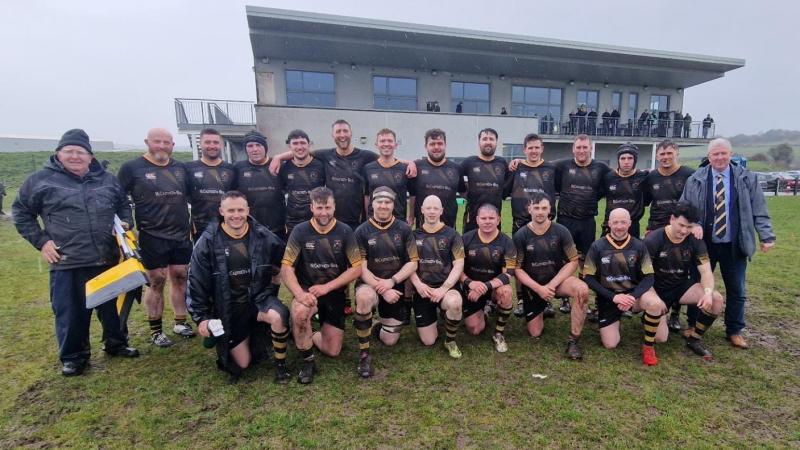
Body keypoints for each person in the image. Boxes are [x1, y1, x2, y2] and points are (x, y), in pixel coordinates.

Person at [13, 129, 138, 376]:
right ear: (58, 154)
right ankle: (74, 356)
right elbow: (21, 212)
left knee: (111, 307)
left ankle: (116, 343)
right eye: (69, 151)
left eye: (80, 152)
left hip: (107, 257)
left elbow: (124, 205)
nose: (75, 156)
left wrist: (126, 222)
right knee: (71, 312)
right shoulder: (40, 180)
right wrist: (42, 241)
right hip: (67, 260)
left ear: (90, 156)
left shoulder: (107, 180)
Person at [680, 138, 775, 349]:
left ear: (730, 155)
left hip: (734, 243)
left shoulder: (746, 178)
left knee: (737, 288)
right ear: (709, 156)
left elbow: (759, 209)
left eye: (723, 153)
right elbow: (684, 208)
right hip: (704, 243)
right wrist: (693, 224)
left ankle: (734, 330)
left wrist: (766, 236)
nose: (720, 157)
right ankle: (694, 325)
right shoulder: (696, 179)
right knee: (699, 284)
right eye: (715, 154)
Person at [186, 191, 290, 383]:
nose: (236, 215)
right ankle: (241, 335)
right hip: (229, 307)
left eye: (240, 210)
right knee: (242, 363)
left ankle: (281, 367)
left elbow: (287, 259)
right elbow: (196, 281)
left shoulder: (262, 235)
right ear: (221, 212)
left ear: (248, 210)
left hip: (259, 299)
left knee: (279, 316)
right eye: (231, 210)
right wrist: (201, 318)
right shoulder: (207, 242)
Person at [118, 128, 195, 347]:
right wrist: (125, 222)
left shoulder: (180, 168)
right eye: (157, 141)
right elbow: (117, 197)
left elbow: (192, 195)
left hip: (180, 233)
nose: (161, 146)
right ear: (147, 142)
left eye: (166, 142)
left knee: (180, 276)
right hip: (152, 235)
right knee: (157, 280)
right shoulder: (132, 168)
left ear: (172, 144)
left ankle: (180, 322)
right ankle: (156, 330)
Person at [282, 187, 363, 384]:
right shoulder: (300, 231)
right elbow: (286, 268)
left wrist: (327, 287)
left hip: (334, 294)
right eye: (319, 207)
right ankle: (308, 361)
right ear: (311, 207)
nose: (324, 212)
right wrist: (299, 294)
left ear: (334, 207)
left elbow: (356, 268)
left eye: (328, 207)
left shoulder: (345, 231)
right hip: (307, 292)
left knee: (333, 351)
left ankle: (305, 333)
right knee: (301, 312)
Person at [583, 208, 666, 366]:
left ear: (630, 223)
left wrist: (632, 296)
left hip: (635, 297)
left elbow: (649, 277)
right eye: (615, 222)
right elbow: (588, 277)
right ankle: (620, 319)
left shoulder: (639, 246)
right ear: (609, 223)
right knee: (610, 344)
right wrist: (613, 297)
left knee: (660, 334)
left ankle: (648, 346)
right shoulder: (597, 246)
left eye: (623, 222)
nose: (619, 226)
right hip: (610, 298)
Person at [644, 202, 724, 360]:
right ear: (672, 219)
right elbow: (643, 275)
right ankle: (653, 314)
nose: (684, 231)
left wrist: (707, 293)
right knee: (661, 338)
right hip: (656, 288)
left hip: (680, 286)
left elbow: (706, 271)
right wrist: (653, 299)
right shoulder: (654, 239)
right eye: (681, 225)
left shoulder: (694, 240)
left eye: (689, 227)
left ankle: (694, 339)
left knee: (716, 299)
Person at [513, 194, 589, 359]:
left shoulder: (561, 231)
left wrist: (551, 285)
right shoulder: (520, 235)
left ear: (550, 210)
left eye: (544, 208)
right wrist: (539, 289)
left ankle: (573, 341)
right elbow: (517, 269)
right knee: (535, 333)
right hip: (534, 285)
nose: (540, 212)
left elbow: (573, 261)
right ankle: (541, 309)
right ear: (529, 209)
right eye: (536, 208)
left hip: (557, 282)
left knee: (582, 290)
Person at [354, 187, 421, 365]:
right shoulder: (361, 231)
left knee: (389, 341)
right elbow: (361, 268)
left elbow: (413, 262)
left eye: (388, 202)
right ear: (372, 204)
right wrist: (381, 288)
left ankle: (376, 324)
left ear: (393, 205)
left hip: (395, 286)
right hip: (370, 283)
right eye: (379, 202)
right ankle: (364, 354)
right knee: (364, 297)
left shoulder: (404, 229)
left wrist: (392, 282)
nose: (383, 206)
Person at [644, 140, 695, 331]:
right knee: (656, 268)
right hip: (657, 228)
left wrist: (693, 225)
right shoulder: (652, 177)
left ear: (677, 154)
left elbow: (694, 204)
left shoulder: (689, 174)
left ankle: (675, 314)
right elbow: (646, 201)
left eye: (669, 153)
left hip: (681, 229)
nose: (665, 157)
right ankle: (655, 306)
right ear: (657, 156)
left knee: (680, 269)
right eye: (662, 154)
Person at [506, 134, 558, 317]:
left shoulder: (552, 168)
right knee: (519, 263)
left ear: (542, 148)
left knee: (545, 262)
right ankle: (521, 300)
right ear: (524, 149)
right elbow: (505, 191)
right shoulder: (516, 167)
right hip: (521, 224)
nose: (534, 151)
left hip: (545, 225)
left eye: (537, 147)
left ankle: (546, 300)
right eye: (530, 148)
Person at [410, 195, 465, 358]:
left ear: (441, 211)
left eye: (435, 208)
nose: (432, 212)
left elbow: (459, 265)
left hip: (445, 288)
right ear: (422, 210)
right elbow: (409, 266)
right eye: (428, 208)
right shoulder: (413, 235)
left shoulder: (453, 235)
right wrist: (419, 285)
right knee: (428, 341)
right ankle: (436, 317)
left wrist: (443, 289)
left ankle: (450, 340)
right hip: (423, 290)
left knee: (455, 303)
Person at [459, 204, 517, 353]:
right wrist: (470, 283)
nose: (487, 221)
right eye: (483, 218)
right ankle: (485, 310)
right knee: (475, 329)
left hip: (493, 288)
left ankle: (499, 332)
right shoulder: (465, 239)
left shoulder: (507, 241)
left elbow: (508, 273)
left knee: (506, 292)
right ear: (477, 220)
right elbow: (457, 269)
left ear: (498, 220)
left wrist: (485, 286)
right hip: (471, 288)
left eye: (491, 218)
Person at [232, 131, 287, 241]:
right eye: (250, 146)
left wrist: (279, 157)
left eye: (258, 145)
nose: (254, 149)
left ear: (265, 148)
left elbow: (302, 152)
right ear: (246, 149)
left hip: (277, 229)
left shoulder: (278, 165)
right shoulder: (238, 168)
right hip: (249, 230)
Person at [184, 128, 235, 242]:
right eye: (207, 142)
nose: (212, 146)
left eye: (216, 142)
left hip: (226, 225)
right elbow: (186, 195)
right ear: (200, 144)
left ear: (221, 144)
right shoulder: (189, 168)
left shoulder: (230, 169)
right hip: (200, 227)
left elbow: (234, 196)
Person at [408, 128, 465, 228]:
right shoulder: (416, 167)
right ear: (426, 146)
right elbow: (412, 195)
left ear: (445, 145)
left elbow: (463, 192)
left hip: (449, 228)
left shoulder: (456, 168)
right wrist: (411, 216)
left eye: (440, 143)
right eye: (432, 144)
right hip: (423, 229)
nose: (436, 147)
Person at [460, 128, 510, 232]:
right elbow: (454, 175)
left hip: (494, 219)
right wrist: (465, 193)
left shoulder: (502, 163)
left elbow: (510, 180)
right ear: (479, 142)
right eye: (485, 139)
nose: (488, 142)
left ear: (496, 142)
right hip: (472, 219)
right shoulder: (469, 162)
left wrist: (519, 161)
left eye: (491, 139)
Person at [278, 129, 326, 237]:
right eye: (295, 143)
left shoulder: (320, 165)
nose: (299, 147)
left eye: (303, 143)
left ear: (309, 145)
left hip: (316, 222)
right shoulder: (284, 167)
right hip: (292, 224)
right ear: (289, 147)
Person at [362, 129, 411, 222]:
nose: (386, 144)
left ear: (395, 145)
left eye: (390, 141)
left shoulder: (405, 169)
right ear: (376, 145)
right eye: (382, 141)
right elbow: (367, 196)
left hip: (398, 221)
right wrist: (367, 218)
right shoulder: (368, 168)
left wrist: (411, 216)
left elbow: (413, 195)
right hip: (374, 222)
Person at [602, 144, 648, 238]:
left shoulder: (643, 177)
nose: (626, 162)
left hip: (632, 226)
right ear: (618, 160)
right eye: (623, 158)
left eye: (630, 158)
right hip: (611, 226)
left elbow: (648, 199)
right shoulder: (608, 177)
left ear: (635, 160)